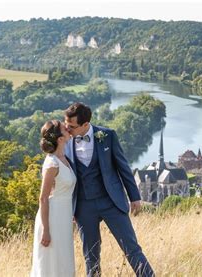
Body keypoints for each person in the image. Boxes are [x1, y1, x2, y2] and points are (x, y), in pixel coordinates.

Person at [64, 102, 154, 277]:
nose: (67, 129)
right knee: (91, 257)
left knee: (132, 249)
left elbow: (123, 167)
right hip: (83, 207)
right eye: (66, 124)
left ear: (85, 124)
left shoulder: (107, 136)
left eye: (71, 126)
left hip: (111, 201)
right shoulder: (65, 142)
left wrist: (134, 197)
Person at [30, 120, 76, 277]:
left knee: (64, 261)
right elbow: (43, 198)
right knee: (51, 263)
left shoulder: (65, 158)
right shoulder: (52, 164)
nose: (68, 129)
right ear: (60, 139)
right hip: (52, 219)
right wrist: (46, 230)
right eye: (65, 128)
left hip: (64, 217)